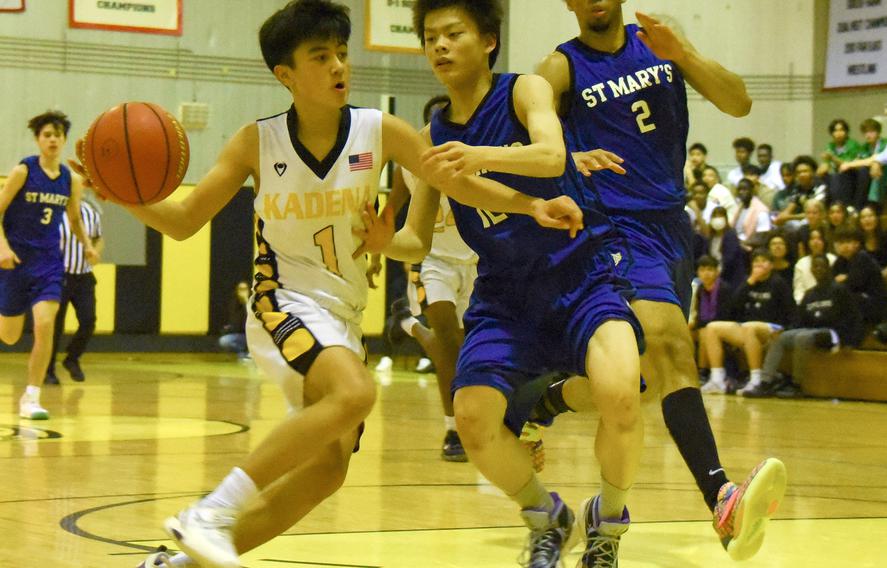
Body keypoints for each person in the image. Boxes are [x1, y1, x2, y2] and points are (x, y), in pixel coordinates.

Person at [88, 2, 585, 567]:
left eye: (342, 53)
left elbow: (461, 185)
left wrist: (534, 205)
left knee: (327, 471)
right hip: (283, 302)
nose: (338, 66)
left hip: (342, 315)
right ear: (286, 76)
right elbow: (183, 222)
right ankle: (211, 511)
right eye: (319, 57)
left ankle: (177, 564)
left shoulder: (382, 131)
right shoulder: (258, 141)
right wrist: (126, 196)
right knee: (356, 393)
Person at [378, 2, 646, 565]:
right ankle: (546, 515)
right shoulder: (431, 138)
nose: (440, 47)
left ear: (489, 41)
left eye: (453, 34)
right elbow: (416, 241)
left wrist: (477, 156)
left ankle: (608, 524)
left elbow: (552, 156)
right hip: (504, 295)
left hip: (580, 275)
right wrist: (372, 239)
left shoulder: (524, 90)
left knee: (622, 396)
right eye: (430, 38)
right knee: (472, 420)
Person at [535, 1, 786, 562]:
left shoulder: (658, 42)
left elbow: (739, 102)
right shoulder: (560, 68)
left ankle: (544, 402)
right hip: (613, 228)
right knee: (675, 347)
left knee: (640, 381)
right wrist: (571, 157)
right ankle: (721, 498)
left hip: (674, 226)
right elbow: (523, 139)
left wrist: (686, 55)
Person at [387, 93, 478, 462]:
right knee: (449, 340)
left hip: (476, 261)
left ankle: (407, 323)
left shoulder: (472, 159)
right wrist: (378, 257)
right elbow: (390, 209)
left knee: (466, 345)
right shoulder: (405, 169)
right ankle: (454, 429)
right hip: (434, 261)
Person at [0, 110, 97, 420]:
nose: (52, 139)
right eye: (47, 134)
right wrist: (2, 247)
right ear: (38, 140)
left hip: (49, 264)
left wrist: (87, 245)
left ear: (64, 139)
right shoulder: (23, 172)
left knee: (45, 325)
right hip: (15, 262)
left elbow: (74, 218)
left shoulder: (72, 179)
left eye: (57, 134)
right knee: (10, 336)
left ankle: (31, 397)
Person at [740, 254, 862, 398]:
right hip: (811, 331)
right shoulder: (809, 294)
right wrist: (785, 330)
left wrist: (850, 342)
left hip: (833, 333)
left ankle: (796, 384)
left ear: (828, 268)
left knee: (803, 337)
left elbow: (854, 317)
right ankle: (766, 382)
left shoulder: (840, 290)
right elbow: (799, 320)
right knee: (781, 337)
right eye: (815, 266)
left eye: (822, 266)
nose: (818, 269)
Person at [700, 249, 795, 395]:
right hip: (747, 327)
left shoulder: (778, 283)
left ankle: (756, 379)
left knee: (749, 327)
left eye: (763, 261)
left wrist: (786, 330)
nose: (759, 265)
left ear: (770, 265)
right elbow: (732, 308)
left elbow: (791, 309)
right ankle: (717, 379)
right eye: (756, 262)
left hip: (772, 328)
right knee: (712, 327)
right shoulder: (748, 282)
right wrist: (749, 282)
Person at [45, 195, 103, 384]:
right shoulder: (54, 212)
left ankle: (72, 358)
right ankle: (48, 370)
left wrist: (95, 252)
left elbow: (97, 238)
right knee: (55, 326)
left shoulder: (91, 213)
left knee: (88, 320)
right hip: (58, 275)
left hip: (83, 276)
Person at [832, 226, 887, 326]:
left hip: (874, 304)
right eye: (841, 243)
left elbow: (854, 284)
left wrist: (845, 279)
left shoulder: (862, 257)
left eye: (848, 242)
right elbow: (832, 283)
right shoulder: (840, 261)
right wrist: (846, 279)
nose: (845, 246)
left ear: (857, 243)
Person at [689, 255, 734, 374]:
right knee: (684, 333)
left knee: (705, 332)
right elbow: (698, 313)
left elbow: (724, 315)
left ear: (717, 271)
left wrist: (697, 324)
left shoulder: (724, 289)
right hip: (706, 325)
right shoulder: (700, 289)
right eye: (702, 270)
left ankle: (703, 370)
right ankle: (686, 369)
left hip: (725, 326)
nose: (706, 273)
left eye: (709, 269)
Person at [792, 228, 836, 304]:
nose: (815, 242)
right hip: (808, 302)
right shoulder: (801, 263)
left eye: (819, 239)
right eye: (812, 239)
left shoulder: (833, 259)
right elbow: (799, 290)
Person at [218, 281, 250, 359]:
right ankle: (242, 352)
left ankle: (250, 353)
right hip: (240, 335)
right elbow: (235, 322)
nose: (243, 292)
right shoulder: (234, 304)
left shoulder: (253, 303)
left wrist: (246, 301)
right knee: (224, 341)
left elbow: (251, 317)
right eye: (240, 289)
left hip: (252, 335)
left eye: (245, 289)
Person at [858, 204, 887, 268]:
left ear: (876, 218)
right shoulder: (857, 241)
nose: (867, 219)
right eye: (863, 217)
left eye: (870, 216)